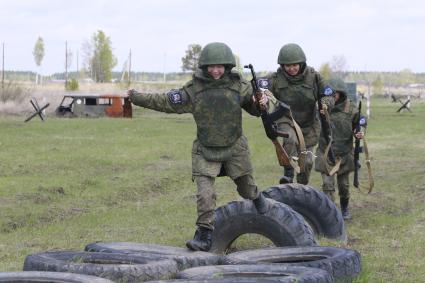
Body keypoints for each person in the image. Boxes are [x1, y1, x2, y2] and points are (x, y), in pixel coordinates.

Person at [127, 42, 269, 252]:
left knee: (246, 188)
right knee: (205, 195)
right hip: (205, 149)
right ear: (204, 67)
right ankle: (204, 235)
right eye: (211, 66)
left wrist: (261, 102)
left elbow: (256, 109)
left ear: (227, 66)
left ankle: (258, 198)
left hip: (234, 146)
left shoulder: (240, 86)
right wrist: (135, 96)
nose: (215, 70)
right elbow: (165, 101)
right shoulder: (194, 89)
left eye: (220, 66)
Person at [259, 43, 334, 185]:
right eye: (287, 66)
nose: (292, 69)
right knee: (290, 139)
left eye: (295, 65)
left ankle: (301, 187)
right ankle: (288, 173)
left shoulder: (314, 77)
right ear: (282, 65)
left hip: (309, 125)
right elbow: (259, 87)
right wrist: (261, 96)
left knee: (307, 162)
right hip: (285, 120)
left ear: (302, 63)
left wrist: (325, 104)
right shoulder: (275, 78)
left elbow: (328, 94)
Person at [314, 77, 365, 220]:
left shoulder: (351, 109)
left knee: (344, 186)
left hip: (344, 154)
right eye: (329, 95)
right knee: (327, 185)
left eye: (335, 95)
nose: (332, 99)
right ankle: (329, 214)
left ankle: (344, 208)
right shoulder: (320, 108)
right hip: (325, 152)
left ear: (341, 94)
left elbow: (359, 125)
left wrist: (359, 133)